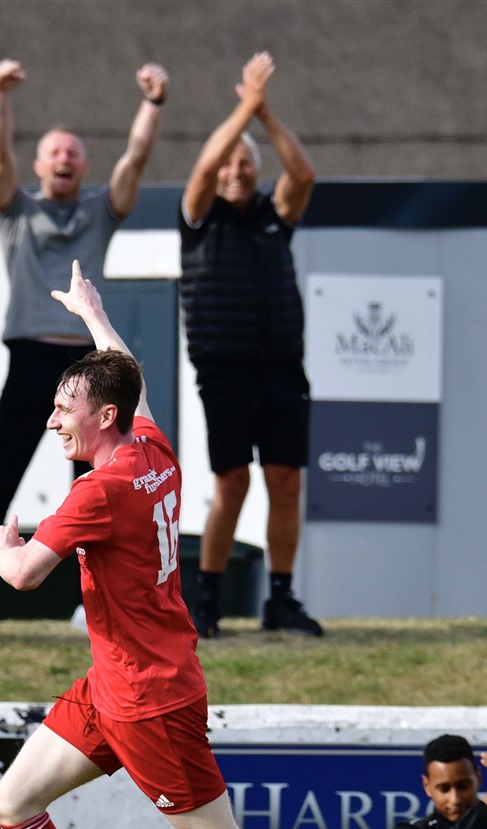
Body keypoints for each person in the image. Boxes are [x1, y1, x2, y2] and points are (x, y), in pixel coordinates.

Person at [0, 262, 393, 829]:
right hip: (115, 685)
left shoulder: (96, 492)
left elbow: (27, 575)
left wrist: (4, 543)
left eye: (63, 409)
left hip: (150, 700)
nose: (51, 422)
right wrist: (97, 316)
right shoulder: (149, 445)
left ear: (102, 416)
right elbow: (124, 378)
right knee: (12, 803)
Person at [0, 56, 169, 647]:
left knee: (96, 487)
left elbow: (136, 161)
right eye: (56, 152)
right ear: (41, 164)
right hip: (29, 358)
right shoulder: (17, 210)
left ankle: (87, 605)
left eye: (75, 152)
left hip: (86, 370)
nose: (66, 160)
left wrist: (152, 102)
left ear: (84, 165)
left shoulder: (99, 211)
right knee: (1, 481)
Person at [178, 52, 321, 638]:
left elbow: (304, 175)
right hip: (225, 369)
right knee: (231, 482)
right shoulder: (199, 215)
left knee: (286, 480)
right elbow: (208, 158)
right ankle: (207, 601)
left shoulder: (274, 213)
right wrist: (244, 107)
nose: (236, 169)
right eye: (230, 164)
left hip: (282, 367)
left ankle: (280, 599)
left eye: (247, 164)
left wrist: (264, 114)